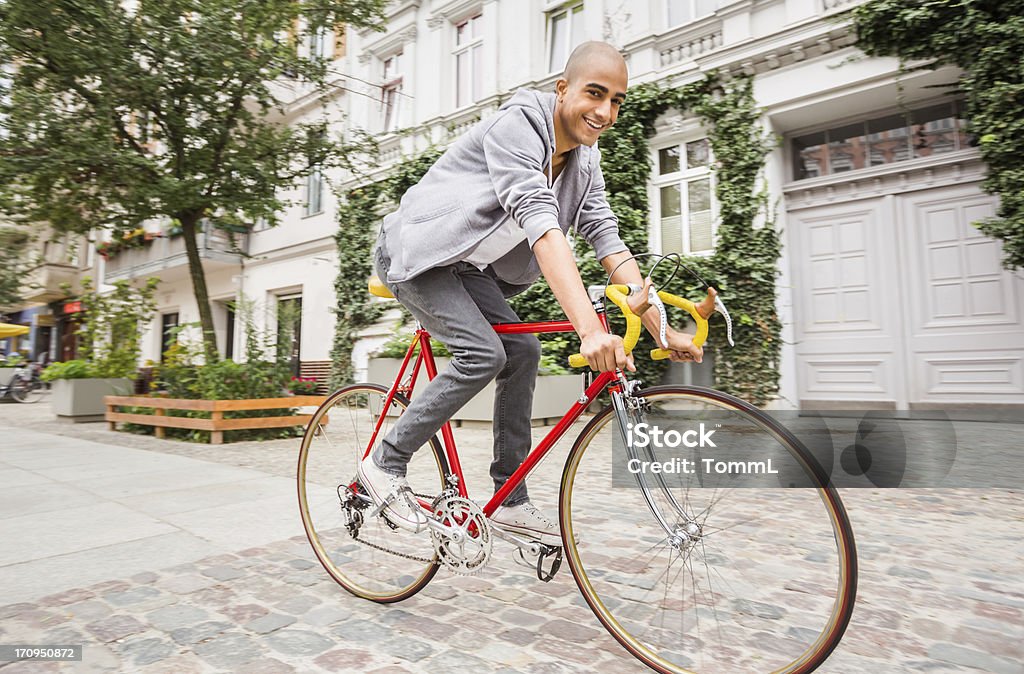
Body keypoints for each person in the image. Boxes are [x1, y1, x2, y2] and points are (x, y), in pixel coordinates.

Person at [362, 41, 703, 545]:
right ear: (562, 89)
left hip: (467, 268)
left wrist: (662, 328)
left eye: (617, 101)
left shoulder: (586, 163)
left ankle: (510, 500)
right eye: (595, 93)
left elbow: (608, 240)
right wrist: (588, 328)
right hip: (416, 254)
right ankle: (385, 464)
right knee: (482, 353)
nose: (605, 112)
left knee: (522, 348)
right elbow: (543, 227)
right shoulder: (518, 123)